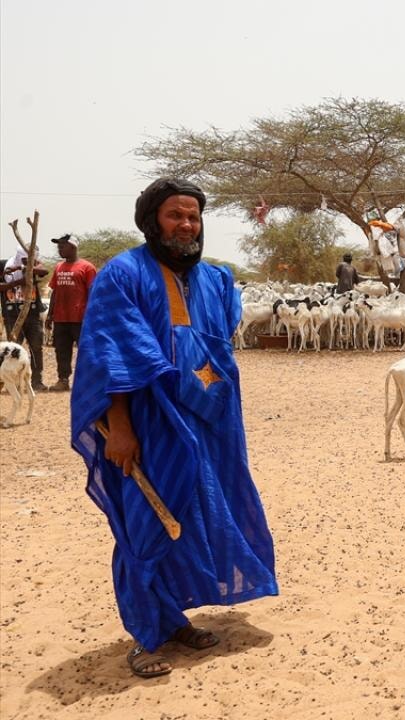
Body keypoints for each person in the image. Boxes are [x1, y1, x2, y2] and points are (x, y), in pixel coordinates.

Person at [70, 178, 278, 679]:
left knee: (196, 517)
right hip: (151, 425)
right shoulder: (123, 275)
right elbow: (110, 358)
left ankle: (174, 619)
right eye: (175, 216)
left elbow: (217, 351)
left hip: (209, 426)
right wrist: (120, 428)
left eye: (193, 217)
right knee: (147, 524)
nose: (187, 225)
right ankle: (145, 637)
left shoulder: (217, 280)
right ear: (152, 222)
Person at [44, 234, 97, 392]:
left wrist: (93, 316)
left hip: (81, 319)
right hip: (61, 318)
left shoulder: (87, 268)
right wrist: (50, 315)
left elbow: (93, 293)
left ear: (73, 247)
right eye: (58, 246)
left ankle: (88, 381)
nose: (59, 249)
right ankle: (63, 380)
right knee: (61, 351)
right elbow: (54, 292)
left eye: (62, 246)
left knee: (86, 350)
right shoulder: (58, 267)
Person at [1, 247, 49, 391]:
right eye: (24, 260)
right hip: (12, 316)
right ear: (19, 256)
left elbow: (44, 271)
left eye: (29, 260)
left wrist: (24, 268)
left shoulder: (33, 265)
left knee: (36, 347)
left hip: (32, 315)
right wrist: (16, 282)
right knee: (13, 349)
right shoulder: (4, 265)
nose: (27, 262)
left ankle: (37, 381)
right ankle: (12, 381)